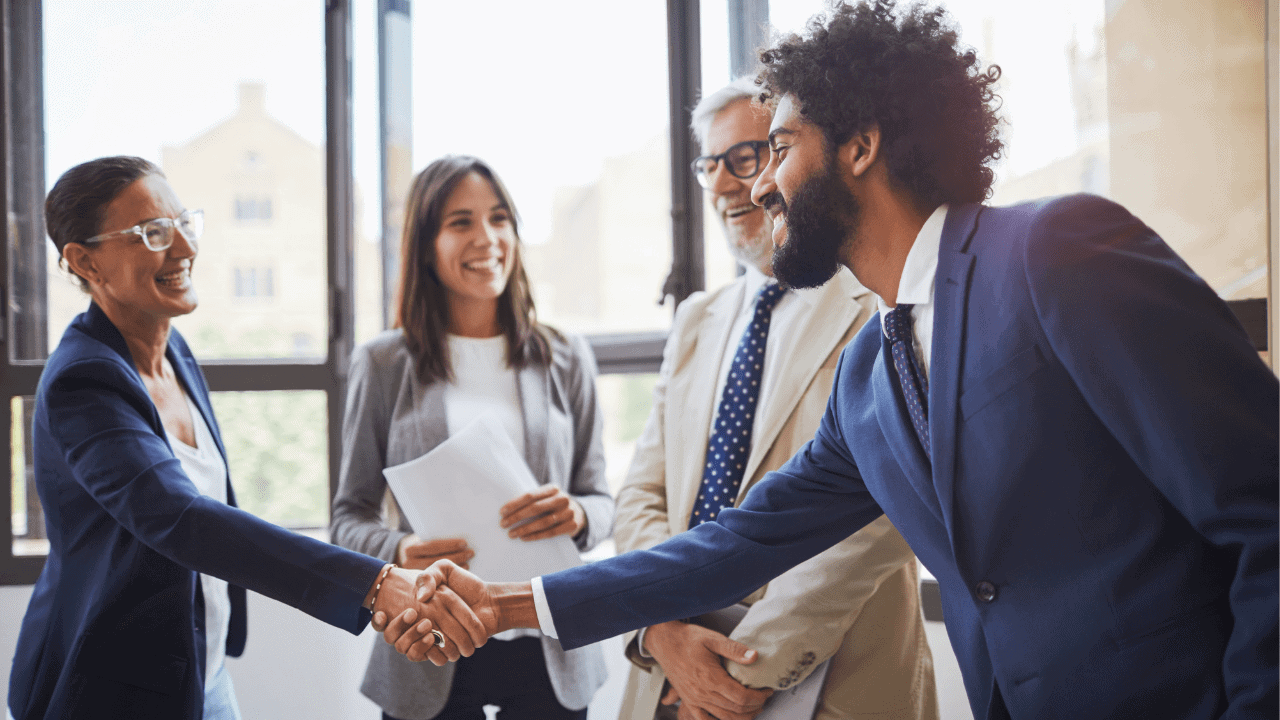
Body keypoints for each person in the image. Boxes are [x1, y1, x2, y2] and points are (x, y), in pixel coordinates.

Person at [390, 2, 1279, 719]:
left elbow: (1264, 505)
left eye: (777, 147)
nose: (759, 184)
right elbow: (733, 544)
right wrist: (508, 605)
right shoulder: (870, 375)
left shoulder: (1055, 252)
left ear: (860, 145)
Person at [7, 156, 486, 720]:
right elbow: (182, 519)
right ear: (84, 261)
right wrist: (377, 582)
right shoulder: (82, 382)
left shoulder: (174, 353)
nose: (184, 248)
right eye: (152, 234)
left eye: (184, 223)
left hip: (196, 669)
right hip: (109, 684)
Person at [614, 77, 936, 720]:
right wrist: (663, 631)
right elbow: (641, 496)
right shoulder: (697, 319)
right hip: (673, 682)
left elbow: (885, 512)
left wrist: (741, 666)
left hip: (835, 687)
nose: (730, 184)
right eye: (711, 165)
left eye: (749, 155)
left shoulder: (877, 298)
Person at [329, 155, 613, 720]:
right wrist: (401, 551)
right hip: (430, 640)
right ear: (427, 245)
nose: (486, 238)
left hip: (546, 639)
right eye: (460, 222)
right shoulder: (384, 363)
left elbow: (603, 500)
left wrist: (578, 517)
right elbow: (347, 519)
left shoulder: (566, 356)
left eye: (499, 218)